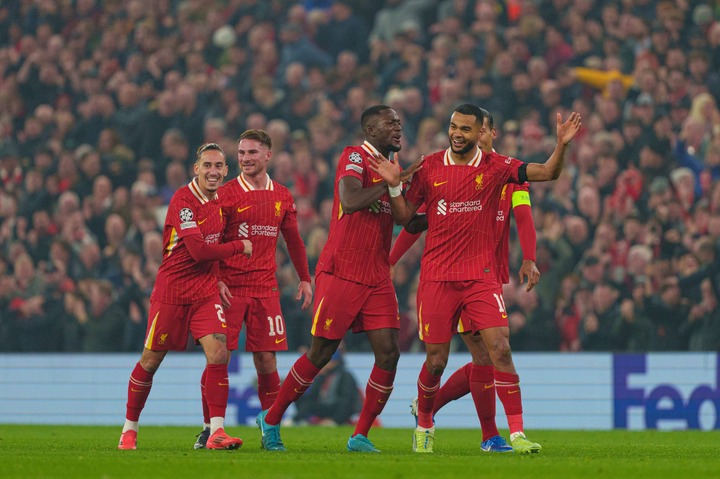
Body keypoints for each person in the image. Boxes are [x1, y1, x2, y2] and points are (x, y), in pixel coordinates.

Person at [370, 104, 581, 453]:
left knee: (498, 349)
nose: (458, 134)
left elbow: (543, 180)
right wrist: (394, 191)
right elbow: (408, 220)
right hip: (438, 279)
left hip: (482, 277)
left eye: (467, 129)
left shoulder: (501, 169)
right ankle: (426, 419)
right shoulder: (430, 166)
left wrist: (562, 146)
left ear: (483, 132)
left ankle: (513, 434)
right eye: (454, 127)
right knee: (437, 361)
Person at [256, 105, 421, 453]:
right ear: (370, 128)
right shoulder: (355, 157)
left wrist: (443, 210)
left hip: (376, 274)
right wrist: (391, 183)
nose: (398, 128)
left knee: (389, 354)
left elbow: (405, 220)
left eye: (399, 123)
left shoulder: (394, 170)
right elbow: (350, 200)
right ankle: (271, 419)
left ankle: (359, 435)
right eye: (390, 123)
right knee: (321, 353)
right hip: (342, 270)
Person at [117, 143, 252, 451]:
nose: (213, 171)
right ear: (197, 169)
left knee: (219, 354)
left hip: (204, 292)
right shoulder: (183, 201)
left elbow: (211, 249)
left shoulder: (221, 203)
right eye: (207, 165)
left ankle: (215, 432)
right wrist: (238, 247)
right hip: (173, 292)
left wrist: (217, 279)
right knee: (151, 361)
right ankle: (129, 429)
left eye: (219, 166)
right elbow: (199, 250)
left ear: (226, 170)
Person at [193, 129, 313, 449]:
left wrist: (304, 277)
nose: (245, 159)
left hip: (265, 288)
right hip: (229, 287)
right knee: (218, 357)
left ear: (267, 156)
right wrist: (215, 278)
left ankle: (270, 429)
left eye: (252, 153)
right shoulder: (227, 193)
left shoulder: (282, 195)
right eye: (242, 154)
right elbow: (212, 240)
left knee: (267, 362)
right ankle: (210, 428)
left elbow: (293, 240)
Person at [292, 349, 362, 426]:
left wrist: (336, 420)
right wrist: (319, 377)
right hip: (323, 406)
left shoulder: (345, 376)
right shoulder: (322, 375)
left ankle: (335, 422)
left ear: (334, 362)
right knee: (300, 396)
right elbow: (311, 396)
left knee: (343, 401)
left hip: (336, 408)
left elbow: (347, 400)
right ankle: (298, 420)